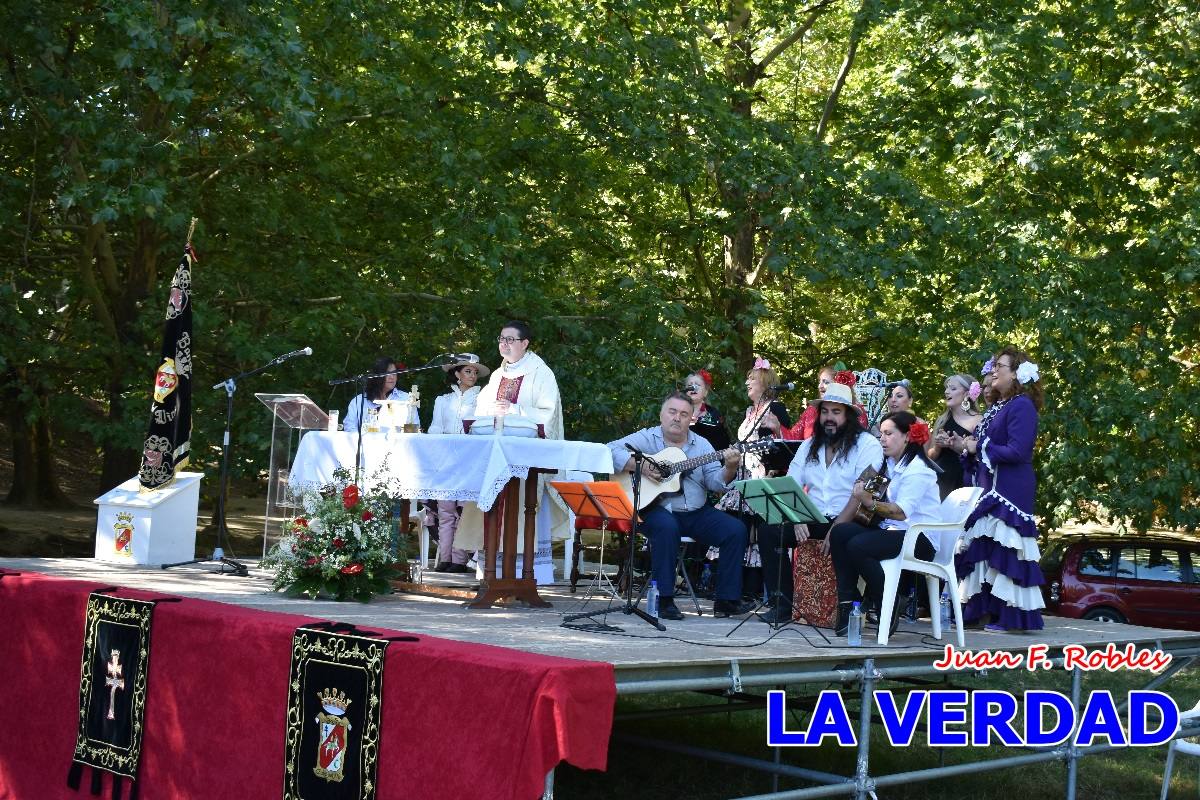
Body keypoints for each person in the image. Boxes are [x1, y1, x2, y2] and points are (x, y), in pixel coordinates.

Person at [607, 392, 755, 621]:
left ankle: (726, 600)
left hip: (696, 512)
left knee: (735, 530)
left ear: (691, 419)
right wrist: (643, 467)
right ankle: (664, 599)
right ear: (662, 415)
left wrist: (730, 468)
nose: (677, 418)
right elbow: (609, 449)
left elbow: (715, 483)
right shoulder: (648, 438)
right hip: (655, 509)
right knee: (667, 528)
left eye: (684, 414)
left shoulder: (702, 445)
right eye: (672, 412)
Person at [756, 381, 883, 623]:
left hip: (851, 519)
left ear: (849, 416)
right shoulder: (807, 446)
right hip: (812, 516)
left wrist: (835, 530)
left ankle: (853, 605)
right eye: (825, 411)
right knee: (769, 531)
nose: (829, 418)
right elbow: (791, 484)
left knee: (844, 535)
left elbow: (861, 494)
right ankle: (782, 604)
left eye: (836, 412)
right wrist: (796, 518)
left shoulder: (868, 445)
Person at [956, 348, 1046, 632]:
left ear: (1017, 373)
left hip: (1009, 491)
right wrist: (966, 449)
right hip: (987, 491)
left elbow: (1018, 451)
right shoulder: (999, 406)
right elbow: (983, 447)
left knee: (1005, 549)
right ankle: (980, 612)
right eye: (993, 365)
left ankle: (1011, 618)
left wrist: (979, 447)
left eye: (1000, 366)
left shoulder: (1022, 406)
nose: (993, 370)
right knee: (983, 549)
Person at [827, 411, 941, 635]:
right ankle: (847, 605)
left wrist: (868, 502)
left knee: (858, 545)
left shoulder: (918, 470)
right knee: (840, 533)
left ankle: (886, 605)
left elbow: (900, 513)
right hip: (893, 531)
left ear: (907, 437)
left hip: (920, 539)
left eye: (889, 434)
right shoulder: (888, 464)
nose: (882, 439)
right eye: (881, 434)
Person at [428, 358, 489, 572]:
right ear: (457, 374)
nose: (472, 375)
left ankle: (459, 559)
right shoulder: (443, 400)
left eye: (474, 372)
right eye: (468, 371)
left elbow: (483, 429)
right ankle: (445, 558)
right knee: (445, 511)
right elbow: (434, 428)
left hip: (469, 459)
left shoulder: (482, 400)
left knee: (463, 511)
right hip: (445, 458)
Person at [925, 374, 982, 499]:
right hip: (939, 481)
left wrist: (958, 446)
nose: (946, 391)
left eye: (953, 388)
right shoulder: (942, 420)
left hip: (964, 482)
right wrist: (938, 446)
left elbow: (983, 456)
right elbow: (930, 456)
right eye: (946, 388)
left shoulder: (979, 421)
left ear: (967, 394)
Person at [342, 355, 410, 433]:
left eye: (394, 373)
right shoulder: (359, 401)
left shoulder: (405, 399)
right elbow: (349, 427)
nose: (392, 377)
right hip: (364, 444)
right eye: (387, 373)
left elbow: (413, 430)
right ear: (377, 376)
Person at [684, 370, 730, 451]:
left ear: (705, 392)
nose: (693, 388)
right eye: (690, 385)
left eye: (697, 385)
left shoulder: (714, 415)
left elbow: (723, 445)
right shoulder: (679, 412)